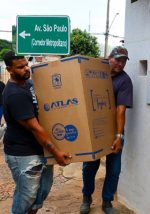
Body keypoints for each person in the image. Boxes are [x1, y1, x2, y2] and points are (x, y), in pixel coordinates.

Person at [2, 51, 72, 214]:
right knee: (26, 195)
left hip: (40, 148)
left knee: (41, 192)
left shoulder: (29, 85)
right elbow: (34, 127)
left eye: (26, 64)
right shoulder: (14, 94)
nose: (26, 69)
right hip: (23, 154)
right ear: (10, 69)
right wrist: (56, 152)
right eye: (20, 67)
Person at [80, 46, 133, 214]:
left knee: (114, 169)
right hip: (93, 130)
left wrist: (119, 136)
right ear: (108, 58)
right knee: (89, 166)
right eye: (117, 59)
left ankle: (107, 202)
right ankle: (86, 197)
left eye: (124, 61)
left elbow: (121, 109)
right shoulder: (94, 73)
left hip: (113, 131)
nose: (120, 63)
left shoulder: (124, 81)